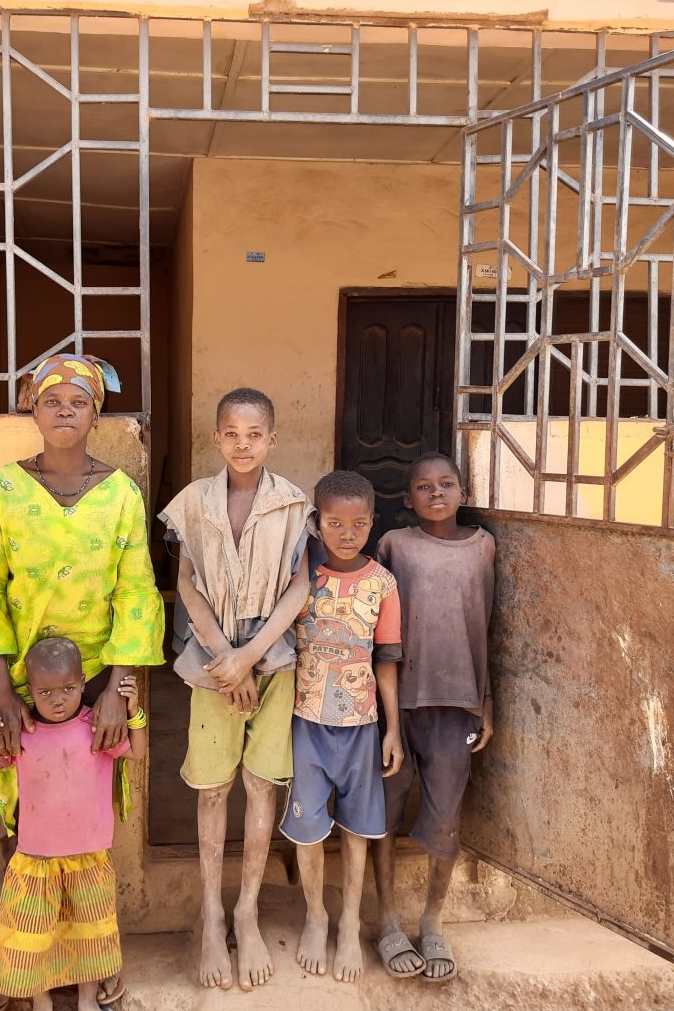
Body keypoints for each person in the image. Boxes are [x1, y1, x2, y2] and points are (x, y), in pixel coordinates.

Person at [0, 353, 164, 1011]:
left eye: (78, 401)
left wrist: (118, 689)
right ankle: (19, 972)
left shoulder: (120, 494)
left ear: (97, 414)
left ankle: (89, 965)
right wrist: (3, 692)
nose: (65, 410)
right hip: (23, 684)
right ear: (32, 410)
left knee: (84, 831)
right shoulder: (5, 489)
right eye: (51, 401)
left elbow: (136, 593)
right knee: (18, 828)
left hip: (94, 684)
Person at [157, 388, 312, 992]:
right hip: (212, 660)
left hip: (271, 659)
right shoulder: (194, 502)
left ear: (272, 438)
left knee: (261, 784)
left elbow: (298, 588)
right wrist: (228, 658)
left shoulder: (293, 504)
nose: (242, 444)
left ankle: (246, 913)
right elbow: (187, 585)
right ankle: (212, 913)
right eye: (231, 433)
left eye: (254, 434)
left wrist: (250, 657)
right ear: (216, 437)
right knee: (213, 789)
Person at [0, 637, 149, 1011]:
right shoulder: (23, 733)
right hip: (36, 860)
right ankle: (41, 1000)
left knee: (89, 933)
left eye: (68, 688)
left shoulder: (98, 726)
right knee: (30, 937)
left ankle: (87, 999)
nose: (58, 699)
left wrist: (134, 713)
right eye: (45, 692)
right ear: (29, 692)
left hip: (88, 859)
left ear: (82, 683)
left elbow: (136, 751)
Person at [370, 452, 494, 983]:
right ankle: (387, 919)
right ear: (408, 498)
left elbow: (489, 626)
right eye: (424, 486)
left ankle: (432, 919)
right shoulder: (394, 545)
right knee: (386, 810)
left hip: (458, 704)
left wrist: (486, 702)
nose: (436, 492)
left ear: (463, 492)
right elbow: (376, 623)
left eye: (446, 484)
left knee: (446, 815)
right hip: (398, 702)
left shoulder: (483, 547)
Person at [280, 470, 403, 984]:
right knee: (308, 831)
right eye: (335, 523)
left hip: (361, 726)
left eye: (358, 524)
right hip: (306, 724)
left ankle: (349, 922)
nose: (347, 534)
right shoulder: (301, 578)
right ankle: (316, 915)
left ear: (372, 523)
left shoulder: (382, 583)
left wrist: (392, 730)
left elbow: (386, 660)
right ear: (317, 522)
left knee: (357, 830)